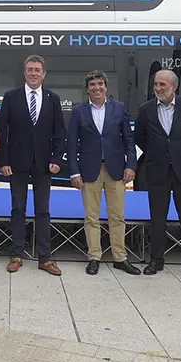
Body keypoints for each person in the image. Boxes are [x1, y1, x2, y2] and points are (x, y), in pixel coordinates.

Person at [0, 54, 66, 276]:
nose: (34, 73)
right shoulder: (11, 97)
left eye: (38, 70)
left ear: (44, 73)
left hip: (44, 164)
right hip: (17, 163)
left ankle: (45, 258)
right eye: (30, 69)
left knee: (43, 211)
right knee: (18, 209)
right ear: (24, 72)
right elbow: (2, 132)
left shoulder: (53, 98)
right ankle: (17, 255)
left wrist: (56, 159)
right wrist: (4, 161)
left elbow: (59, 134)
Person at [68, 70, 140, 276]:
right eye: (92, 85)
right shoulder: (78, 112)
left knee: (117, 216)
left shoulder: (119, 108)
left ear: (106, 87)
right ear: (87, 88)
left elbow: (129, 139)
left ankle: (120, 258)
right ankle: (94, 257)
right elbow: (72, 144)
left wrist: (131, 165)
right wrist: (74, 172)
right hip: (89, 170)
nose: (97, 88)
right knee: (91, 217)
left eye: (100, 84)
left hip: (116, 170)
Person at [134, 69, 181, 279]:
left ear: (174, 86)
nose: (158, 88)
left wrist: (179, 154)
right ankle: (156, 260)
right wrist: (158, 154)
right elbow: (140, 137)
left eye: (162, 85)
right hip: (157, 171)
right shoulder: (145, 109)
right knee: (157, 219)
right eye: (156, 84)